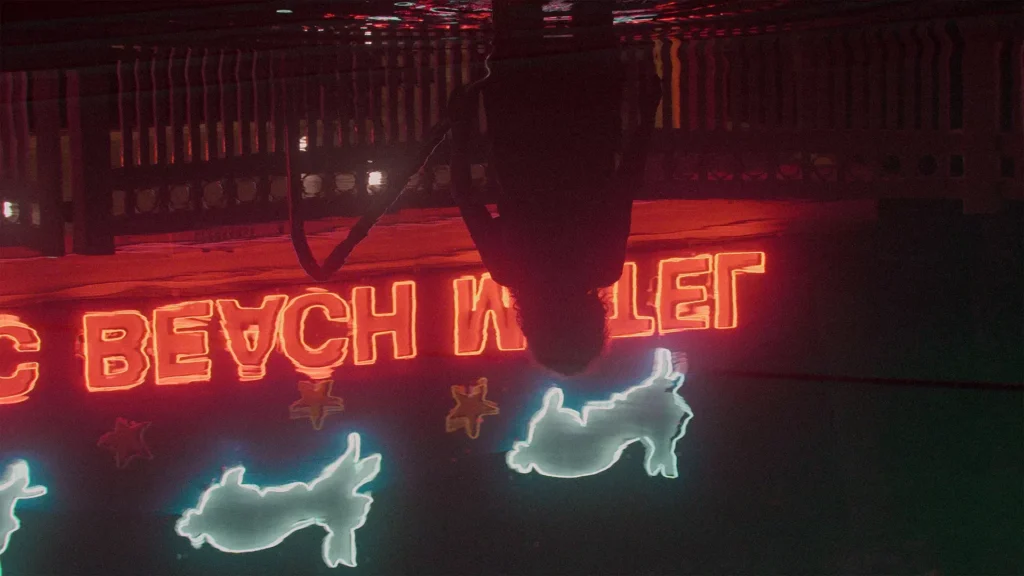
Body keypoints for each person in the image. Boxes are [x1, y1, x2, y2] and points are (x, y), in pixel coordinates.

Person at [449, 0, 661, 376]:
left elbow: (625, 184)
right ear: (535, 328)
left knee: (592, 17)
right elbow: (465, 194)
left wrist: (646, 117)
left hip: (590, 122)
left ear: (593, 324)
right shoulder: (510, 270)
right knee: (516, 19)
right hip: (517, 127)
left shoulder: (603, 267)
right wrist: (460, 125)